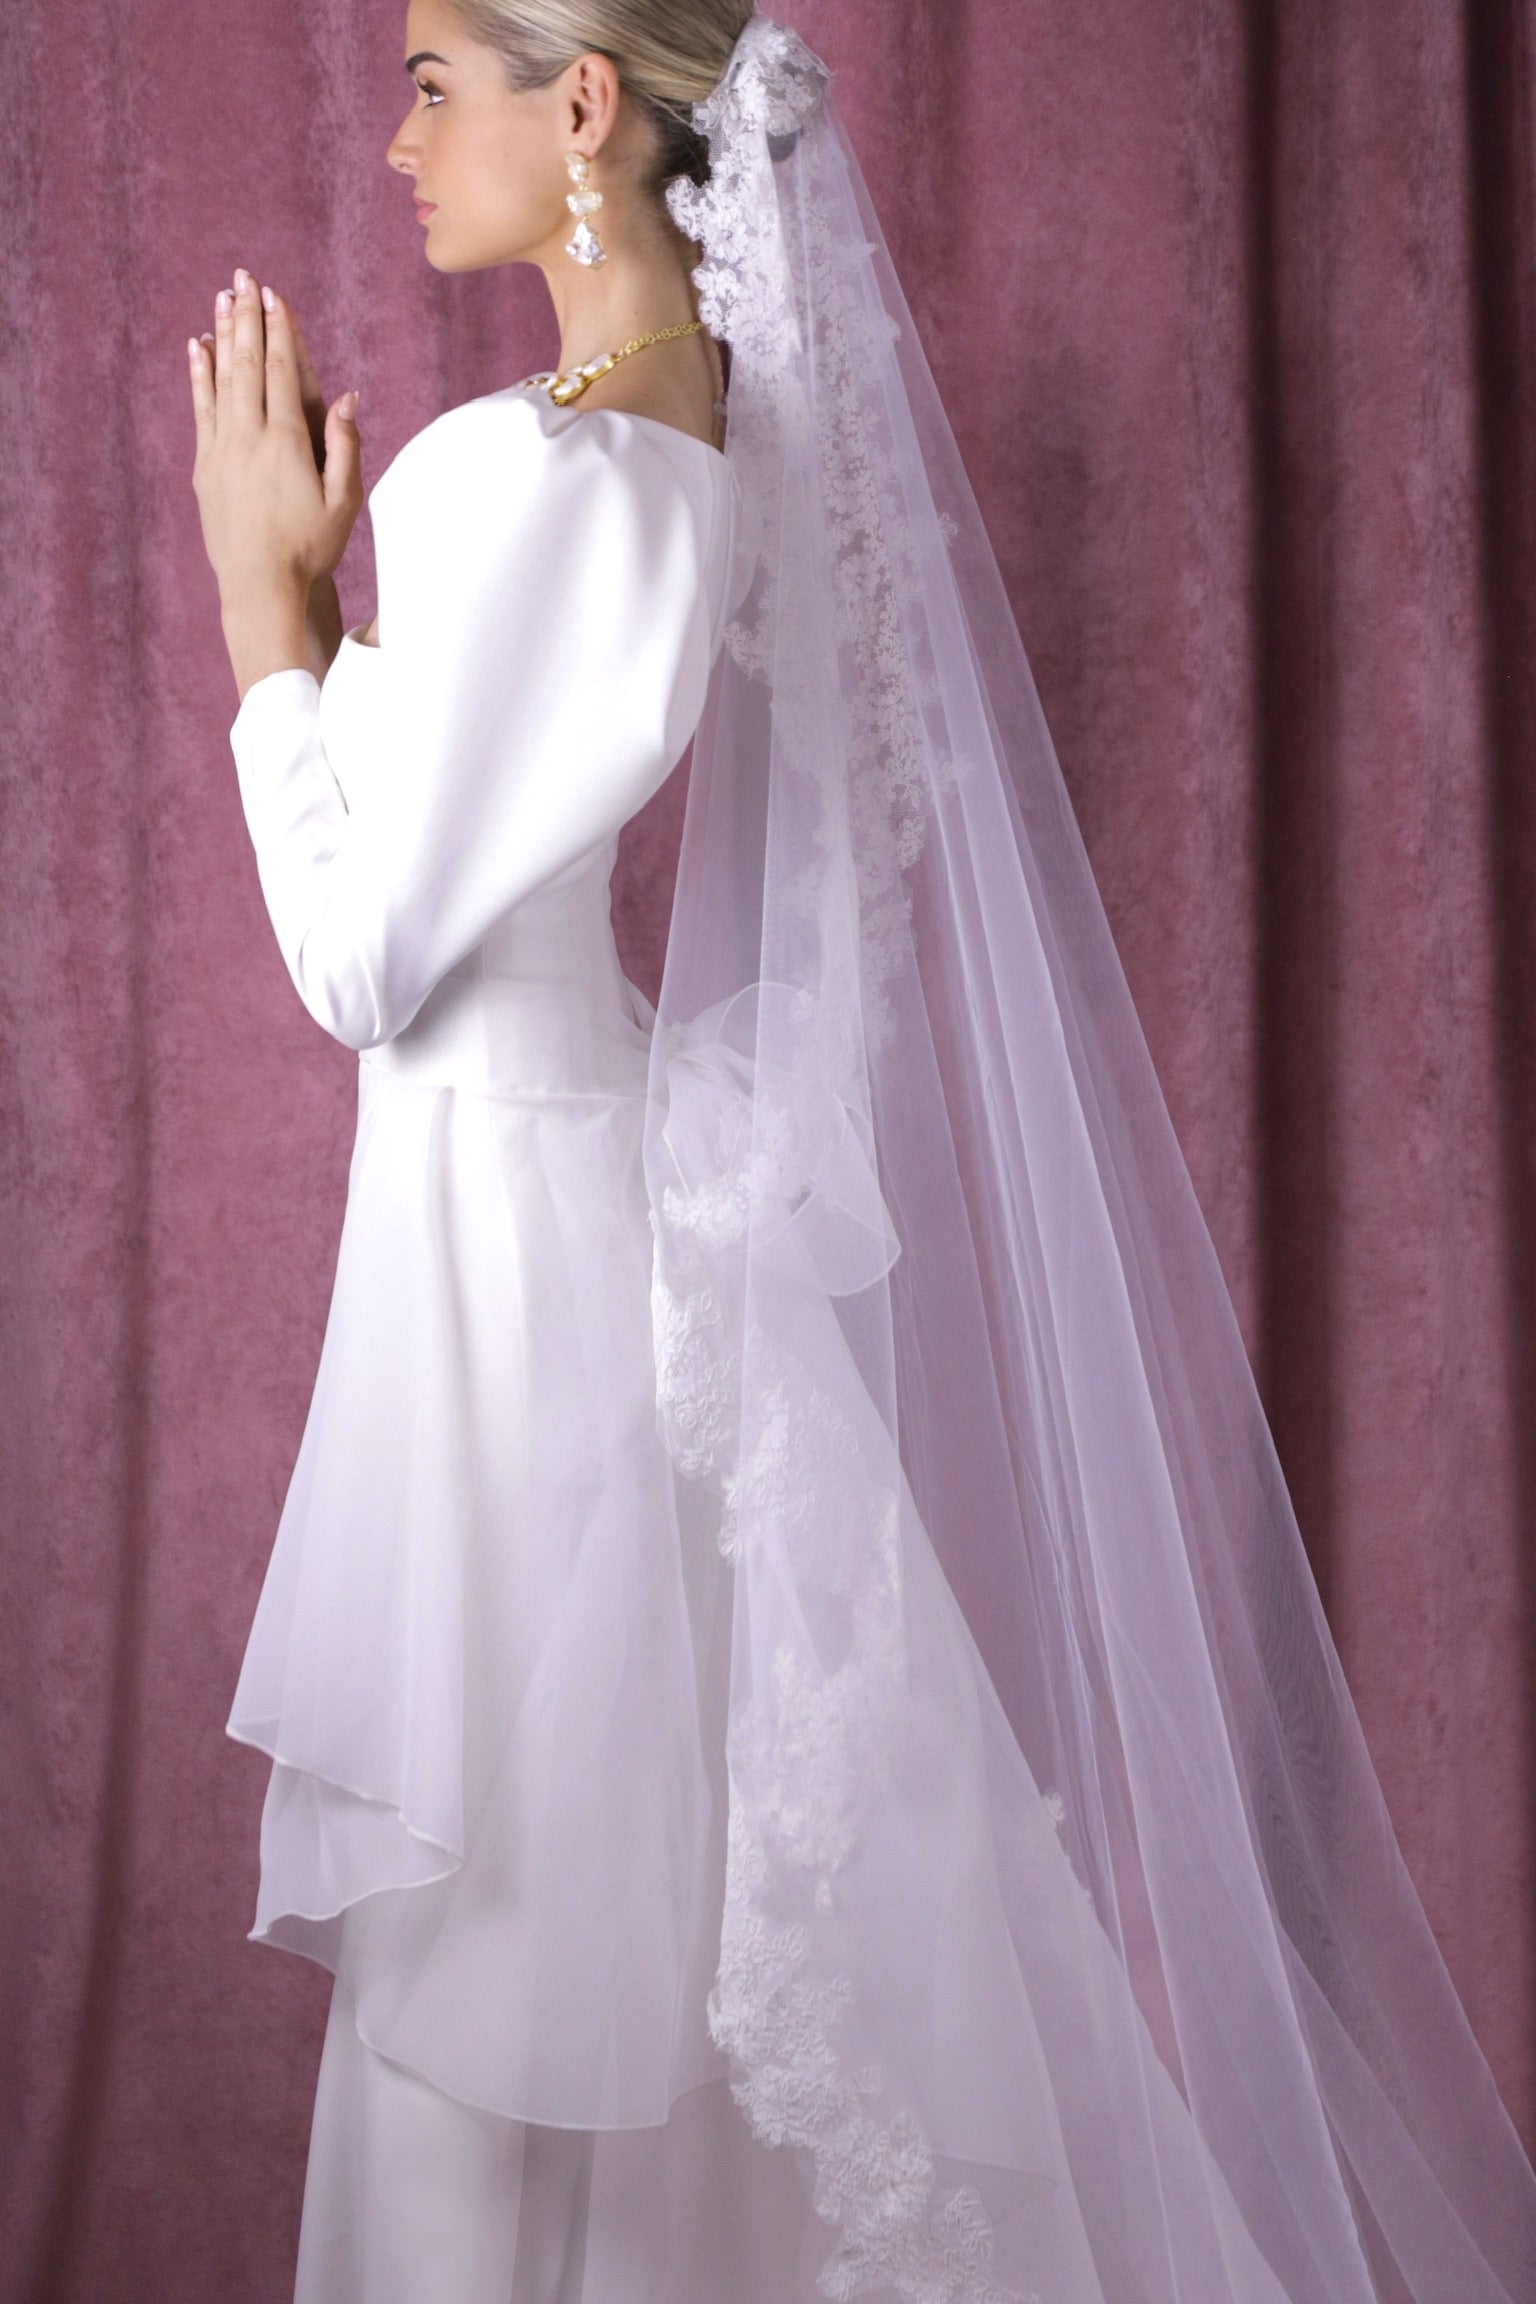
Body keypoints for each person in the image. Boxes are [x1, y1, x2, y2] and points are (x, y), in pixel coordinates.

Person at [188, 6, 1536, 2302]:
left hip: (509, 1280)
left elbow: (364, 964)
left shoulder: (525, 474)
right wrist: (329, 630)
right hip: (576, 1228)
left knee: (500, 1984)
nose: (400, 140)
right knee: (618, 1947)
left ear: (581, 104)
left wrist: (261, 611)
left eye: (433, 82)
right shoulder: (695, 451)